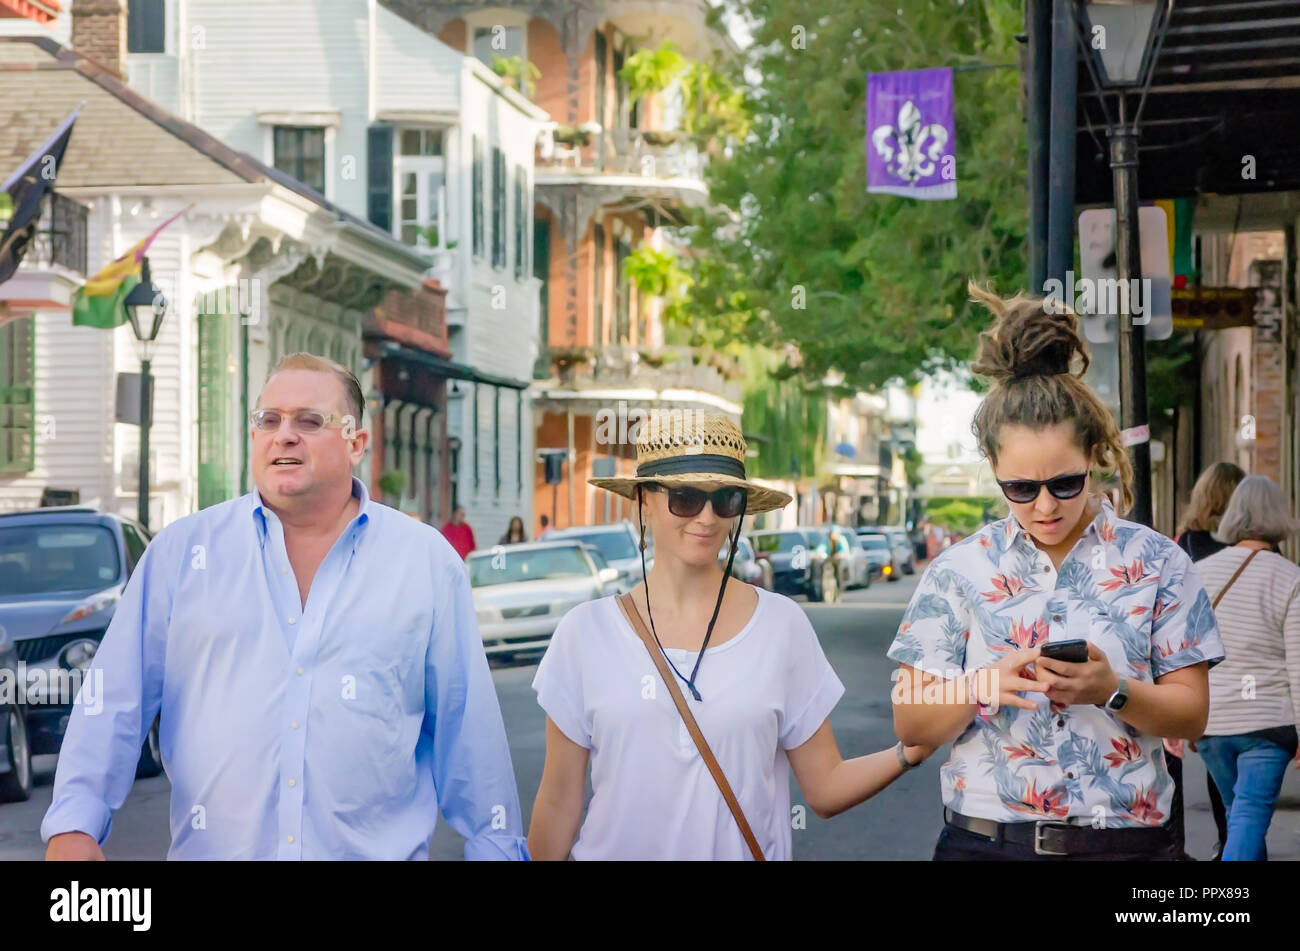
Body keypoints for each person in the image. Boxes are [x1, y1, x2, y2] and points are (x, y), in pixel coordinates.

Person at [41, 353, 526, 860]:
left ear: (357, 443)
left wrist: (496, 848)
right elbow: (114, 699)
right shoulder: (182, 556)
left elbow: (469, 730)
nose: (284, 434)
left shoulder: (425, 564)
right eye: (268, 420)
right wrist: (74, 824)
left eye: (309, 421)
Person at [888, 283, 1224, 861]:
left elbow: (1192, 716)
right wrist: (983, 685)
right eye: (1020, 488)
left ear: (1095, 453)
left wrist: (1112, 690)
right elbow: (911, 722)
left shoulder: (1159, 561)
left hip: (1127, 848)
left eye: (1065, 483)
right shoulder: (958, 571)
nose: (1045, 507)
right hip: (988, 845)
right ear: (992, 467)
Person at [527, 412, 935, 860]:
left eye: (725, 499)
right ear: (642, 502)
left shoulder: (782, 626)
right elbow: (558, 801)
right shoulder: (585, 633)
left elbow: (825, 786)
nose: (706, 517)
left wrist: (909, 751)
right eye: (685, 498)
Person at [1193, 475, 1300, 861]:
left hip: (1213, 724)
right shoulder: (1289, 577)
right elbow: (1298, 662)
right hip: (1267, 724)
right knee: (1249, 818)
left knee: (1240, 815)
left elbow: (1187, 650)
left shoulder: (1201, 573)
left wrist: (1185, 717)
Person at [1166, 460, 1246, 859]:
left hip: (1197, 665)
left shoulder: (1184, 544)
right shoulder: (1256, 544)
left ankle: (1211, 844)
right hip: (1248, 669)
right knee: (1240, 781)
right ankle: (1234, 841)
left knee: (1199, 755)